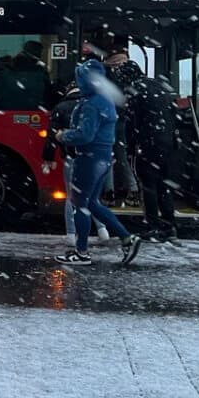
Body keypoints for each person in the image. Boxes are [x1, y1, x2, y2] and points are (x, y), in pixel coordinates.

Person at [53, 59, 142, 266]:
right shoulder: (104, 99)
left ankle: (82, 252)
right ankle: (126, 237)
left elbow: (85, 135)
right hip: (102, 158)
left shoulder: (92, 103)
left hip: (89, 158)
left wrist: (63, 135)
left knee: (79, 204)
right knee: (92, 203)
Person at [42, 82, 111, 248]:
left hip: (72, 157)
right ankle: (102, 230)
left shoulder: (61, 107)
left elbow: (52, 136)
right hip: (93, 158)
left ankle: (71, 235)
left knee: (71, 197)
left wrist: (48, 158)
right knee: (92, 196)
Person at [128, 75, 182, 243]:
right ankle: (169, 226)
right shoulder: (164, 93)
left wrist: (131, 147)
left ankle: (153, 226)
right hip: (167, 146)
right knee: (164, 186)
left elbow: (133, 123)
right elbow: (175, 120)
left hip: (148, 145)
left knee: (149, 186)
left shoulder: (137, 93)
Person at [103, 38, 144, 204]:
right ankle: (133, 189)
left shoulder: (107, 71)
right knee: (122, 155)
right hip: (128, 119)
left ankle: (109, 192)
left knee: (106, 154)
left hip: (108, 118)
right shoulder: (134, 69)